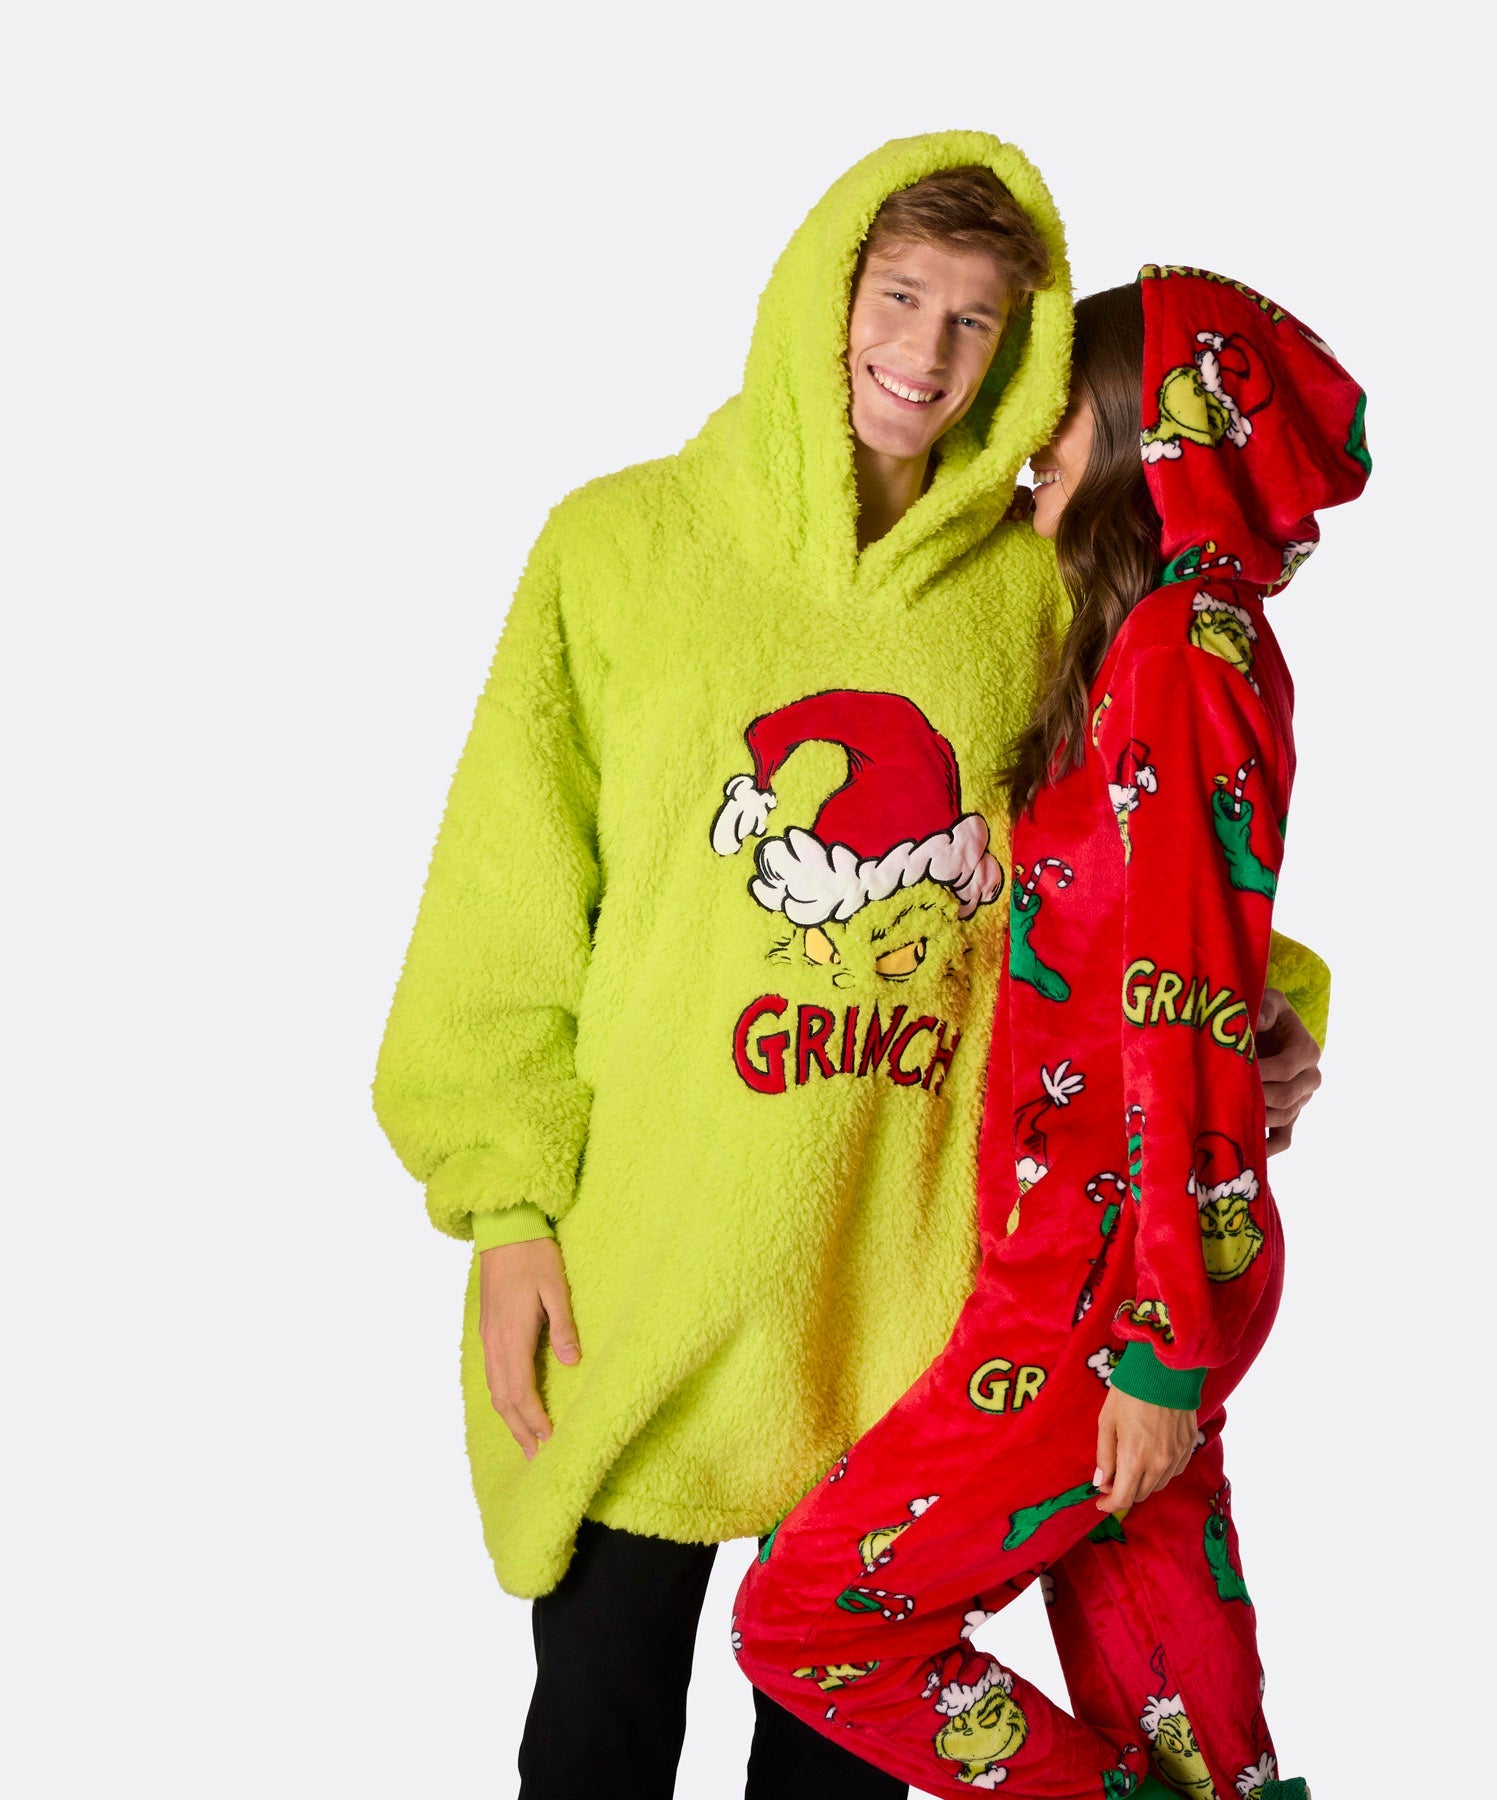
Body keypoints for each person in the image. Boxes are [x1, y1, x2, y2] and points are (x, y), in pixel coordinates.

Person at [374, 132, 1328, 1800]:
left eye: (976, 319)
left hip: (907, 1278)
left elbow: (1129, 859)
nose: (925, 351)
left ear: (1022, 349)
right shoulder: (621, 549)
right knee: (595, 1729)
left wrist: (1260, 1018)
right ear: (822, 293)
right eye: (897, 296)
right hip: (652, 1264)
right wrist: (507, 1201)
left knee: (836, 1740)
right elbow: (507, 890)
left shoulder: (1038, 592)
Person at [729, 269, 1370, 1800]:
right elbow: (1154, 951)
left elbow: (1185, 1003)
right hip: (1114, 1255)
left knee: (813, 1623)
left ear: (1152, 434)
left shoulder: (1181, 657)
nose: (1034, 451)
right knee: (1183, 1717)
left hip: (1108, 1275)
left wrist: (1160, 1347)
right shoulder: (1157, 641)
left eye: (1064, 417)